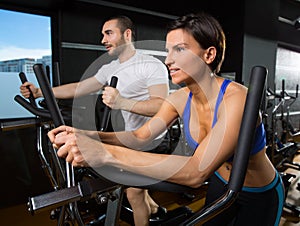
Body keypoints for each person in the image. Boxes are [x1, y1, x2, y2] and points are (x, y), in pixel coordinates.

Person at [48, 12, 285, 226]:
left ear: (209, 54)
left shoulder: (237, 99)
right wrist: (87, 135)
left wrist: (102, 152)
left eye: (179, 49)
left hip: (259, 194)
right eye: (168, 51)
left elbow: (196, 172)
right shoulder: (181, 98)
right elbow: (141, 136)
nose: (168, 60)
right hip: (222, 186)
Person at [20, 15, 169, 226]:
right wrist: (39, 92)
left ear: (127, 34)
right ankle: (154, 209)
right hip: (131, 137)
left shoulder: (151, 65)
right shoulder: (111, 68)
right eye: (102, 34)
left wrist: (122, 102)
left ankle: (148, 208)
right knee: (133, 188)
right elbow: (79, 88)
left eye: (109, 33)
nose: (103, 40)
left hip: (156, 138)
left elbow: (162, 106)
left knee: (134, 193)